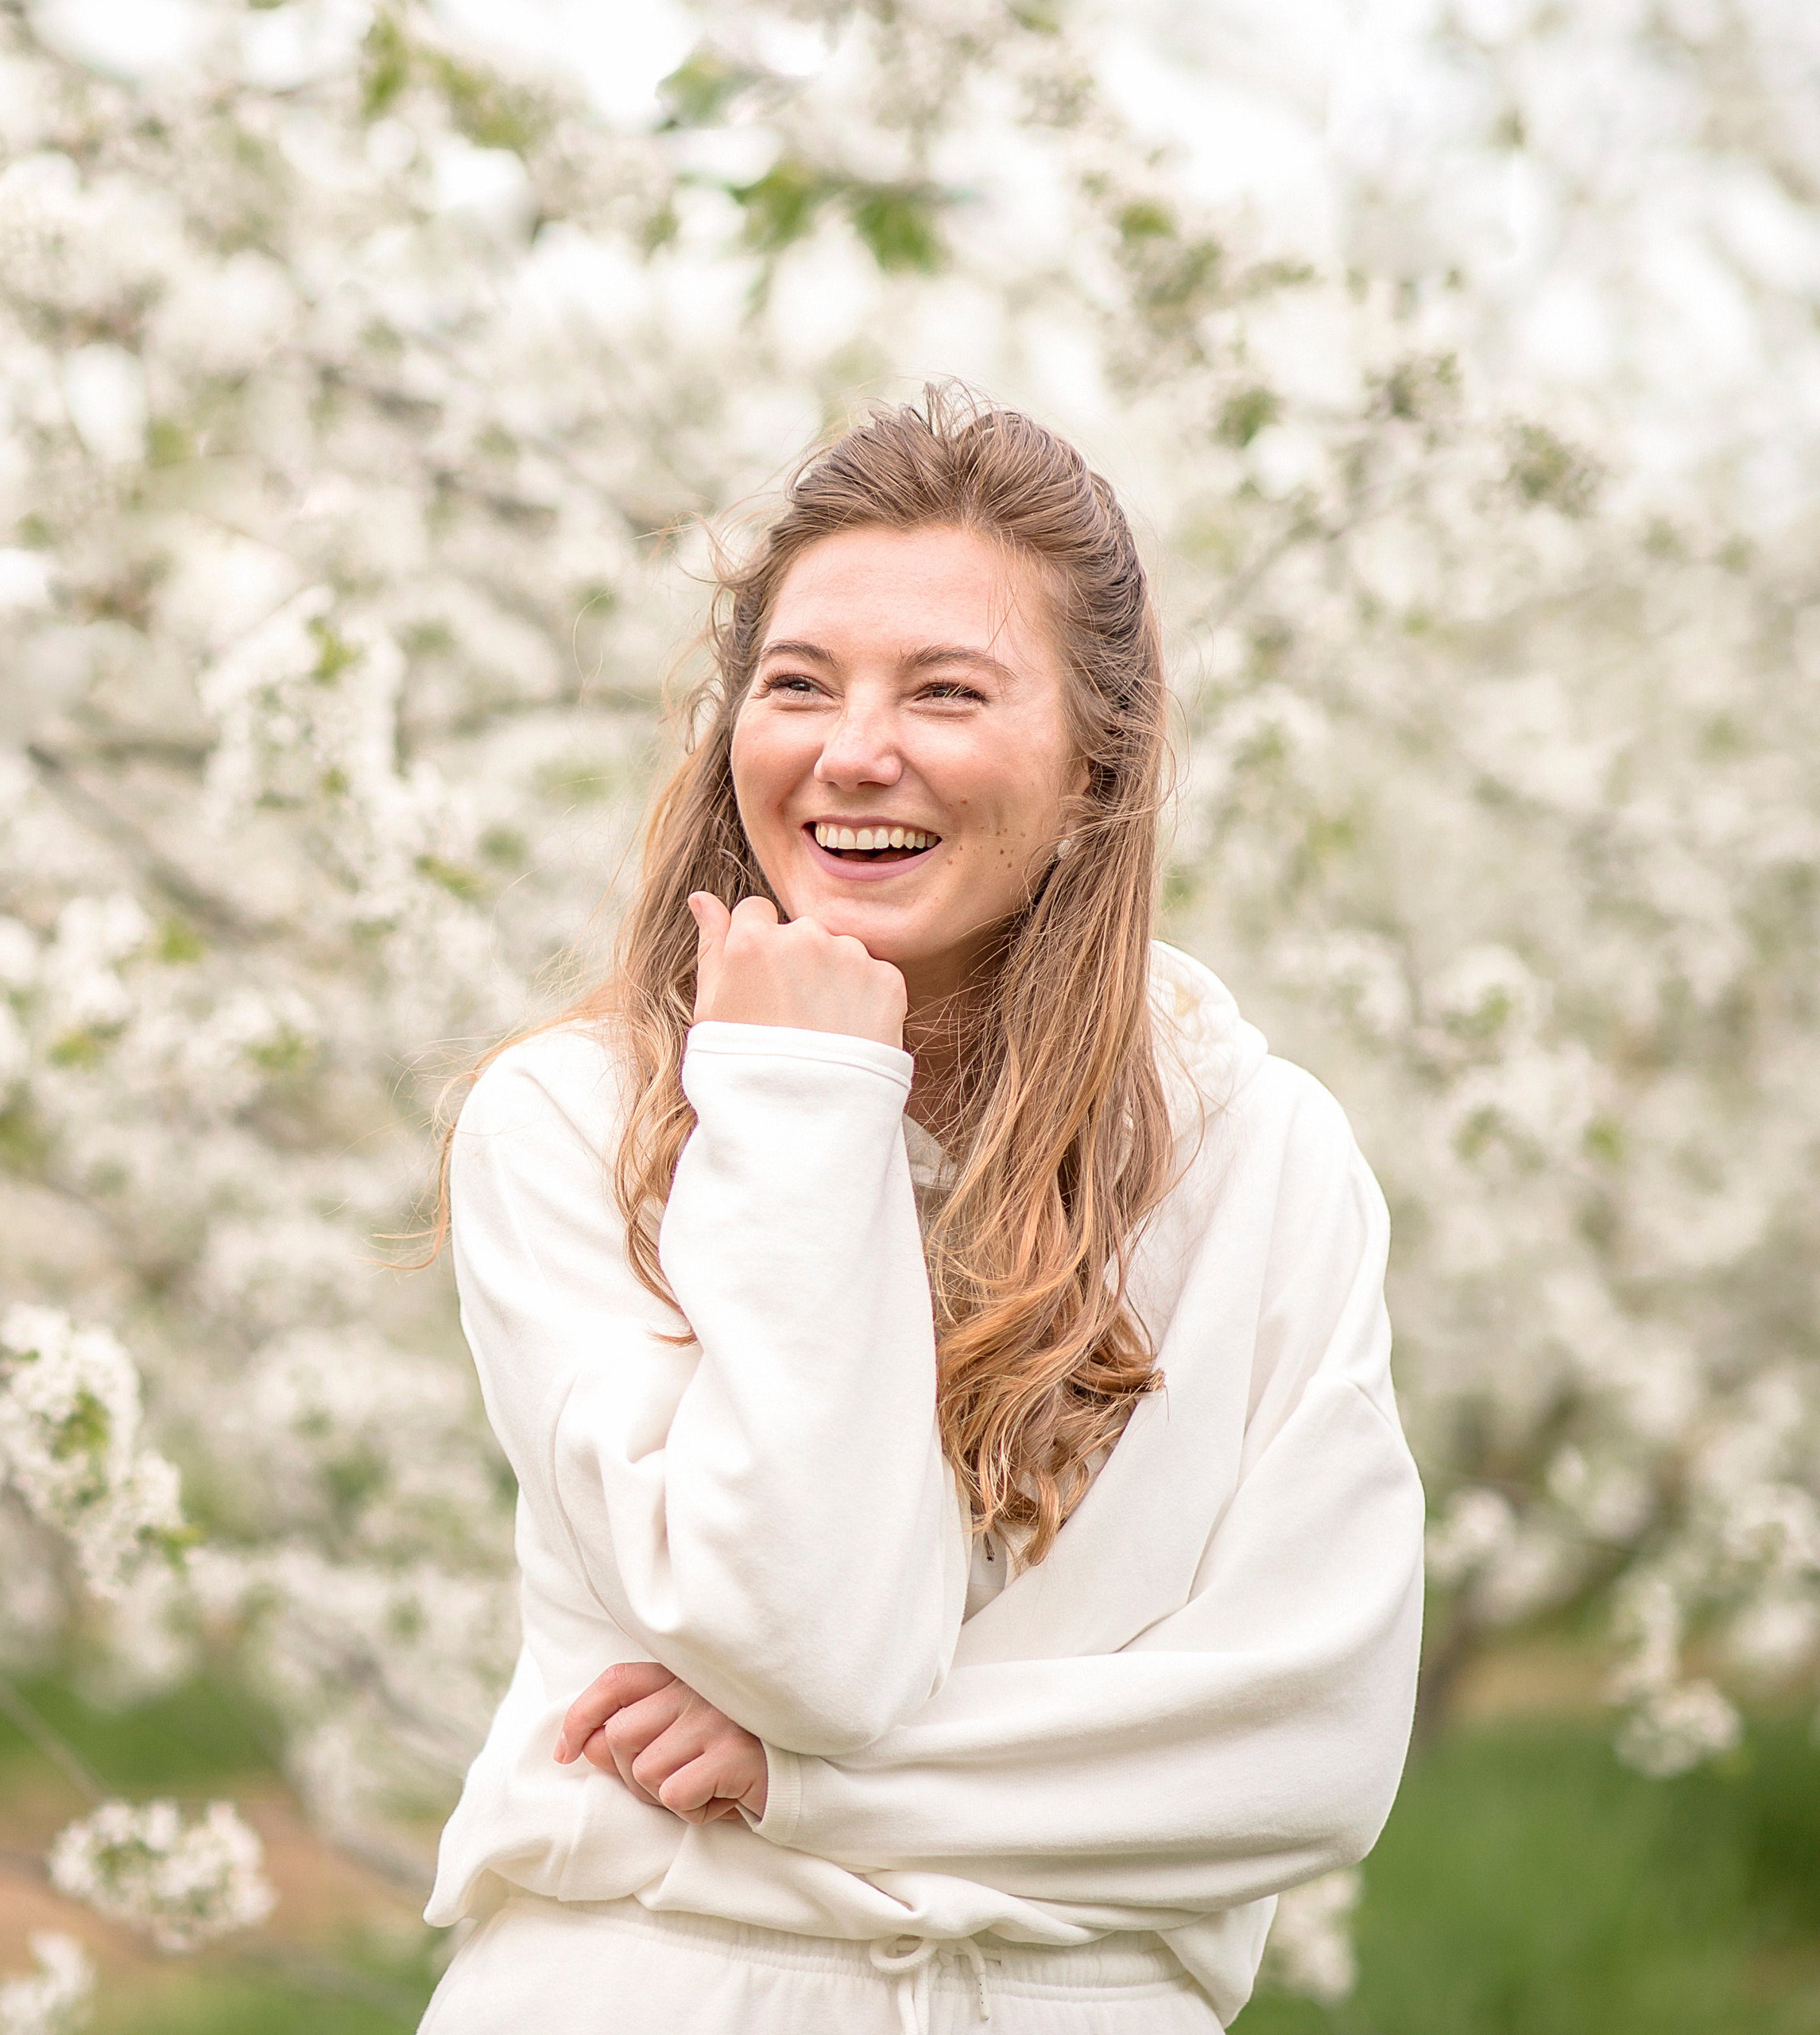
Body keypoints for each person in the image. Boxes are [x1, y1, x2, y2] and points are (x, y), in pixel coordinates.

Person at [417, 387, 1425, 2035]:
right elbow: (815, 1643)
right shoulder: (569, 1127)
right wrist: (801, 1101)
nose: (851, 751)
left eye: (944, 691)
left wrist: (797, 1783)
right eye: (797, 683)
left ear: (1096, 766)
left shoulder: (1263, 1155)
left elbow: (1308, 1752)